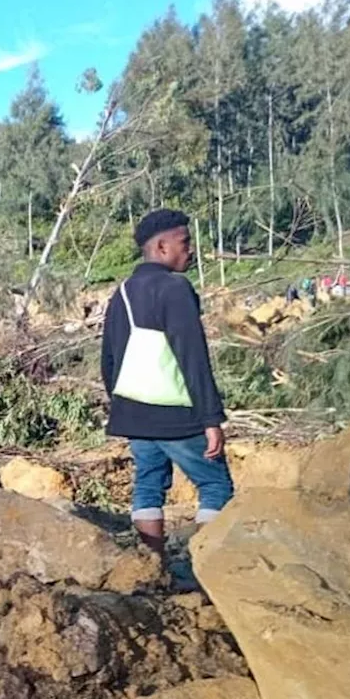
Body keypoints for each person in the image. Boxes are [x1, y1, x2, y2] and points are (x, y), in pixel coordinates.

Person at [100, 209, 234, 555]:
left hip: (134, 413)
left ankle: (152, 566)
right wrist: (211, 419)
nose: (190, 250)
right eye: (185, 242)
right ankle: (206, 569)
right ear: (161, 247)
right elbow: (192, 356)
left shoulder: (123, 292)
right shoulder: (175, 288)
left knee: (147, 486)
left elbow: (109, 358)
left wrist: (123, 408)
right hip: (177, 415)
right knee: (215, 484)